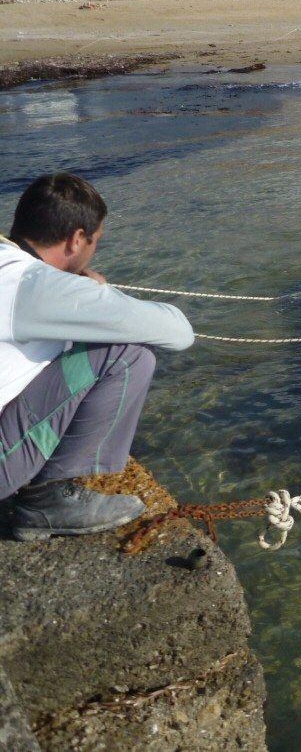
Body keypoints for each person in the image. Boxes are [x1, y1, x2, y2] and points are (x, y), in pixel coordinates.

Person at [0, 173, 194, 541]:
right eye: (95, 242)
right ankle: (45, 500)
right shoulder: (40, 286)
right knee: (128, 355)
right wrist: (99, 296)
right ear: (76, 240)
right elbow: (179, 332)